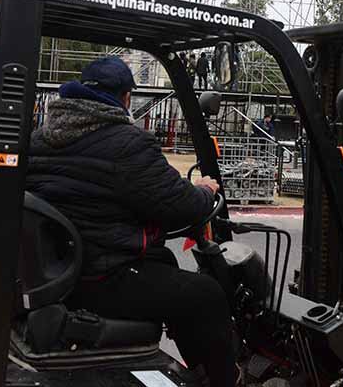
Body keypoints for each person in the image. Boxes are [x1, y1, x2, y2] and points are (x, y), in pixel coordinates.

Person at [25, 58, 234, 387]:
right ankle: (225, 381)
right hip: (101, 275)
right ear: (124, 98)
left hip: (62, 269)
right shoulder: (126, 143)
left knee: (163, 261)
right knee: (205, 295)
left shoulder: (39, 139)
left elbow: (101, 193)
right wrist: (206, 192)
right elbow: (179, 204)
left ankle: (195, 374)